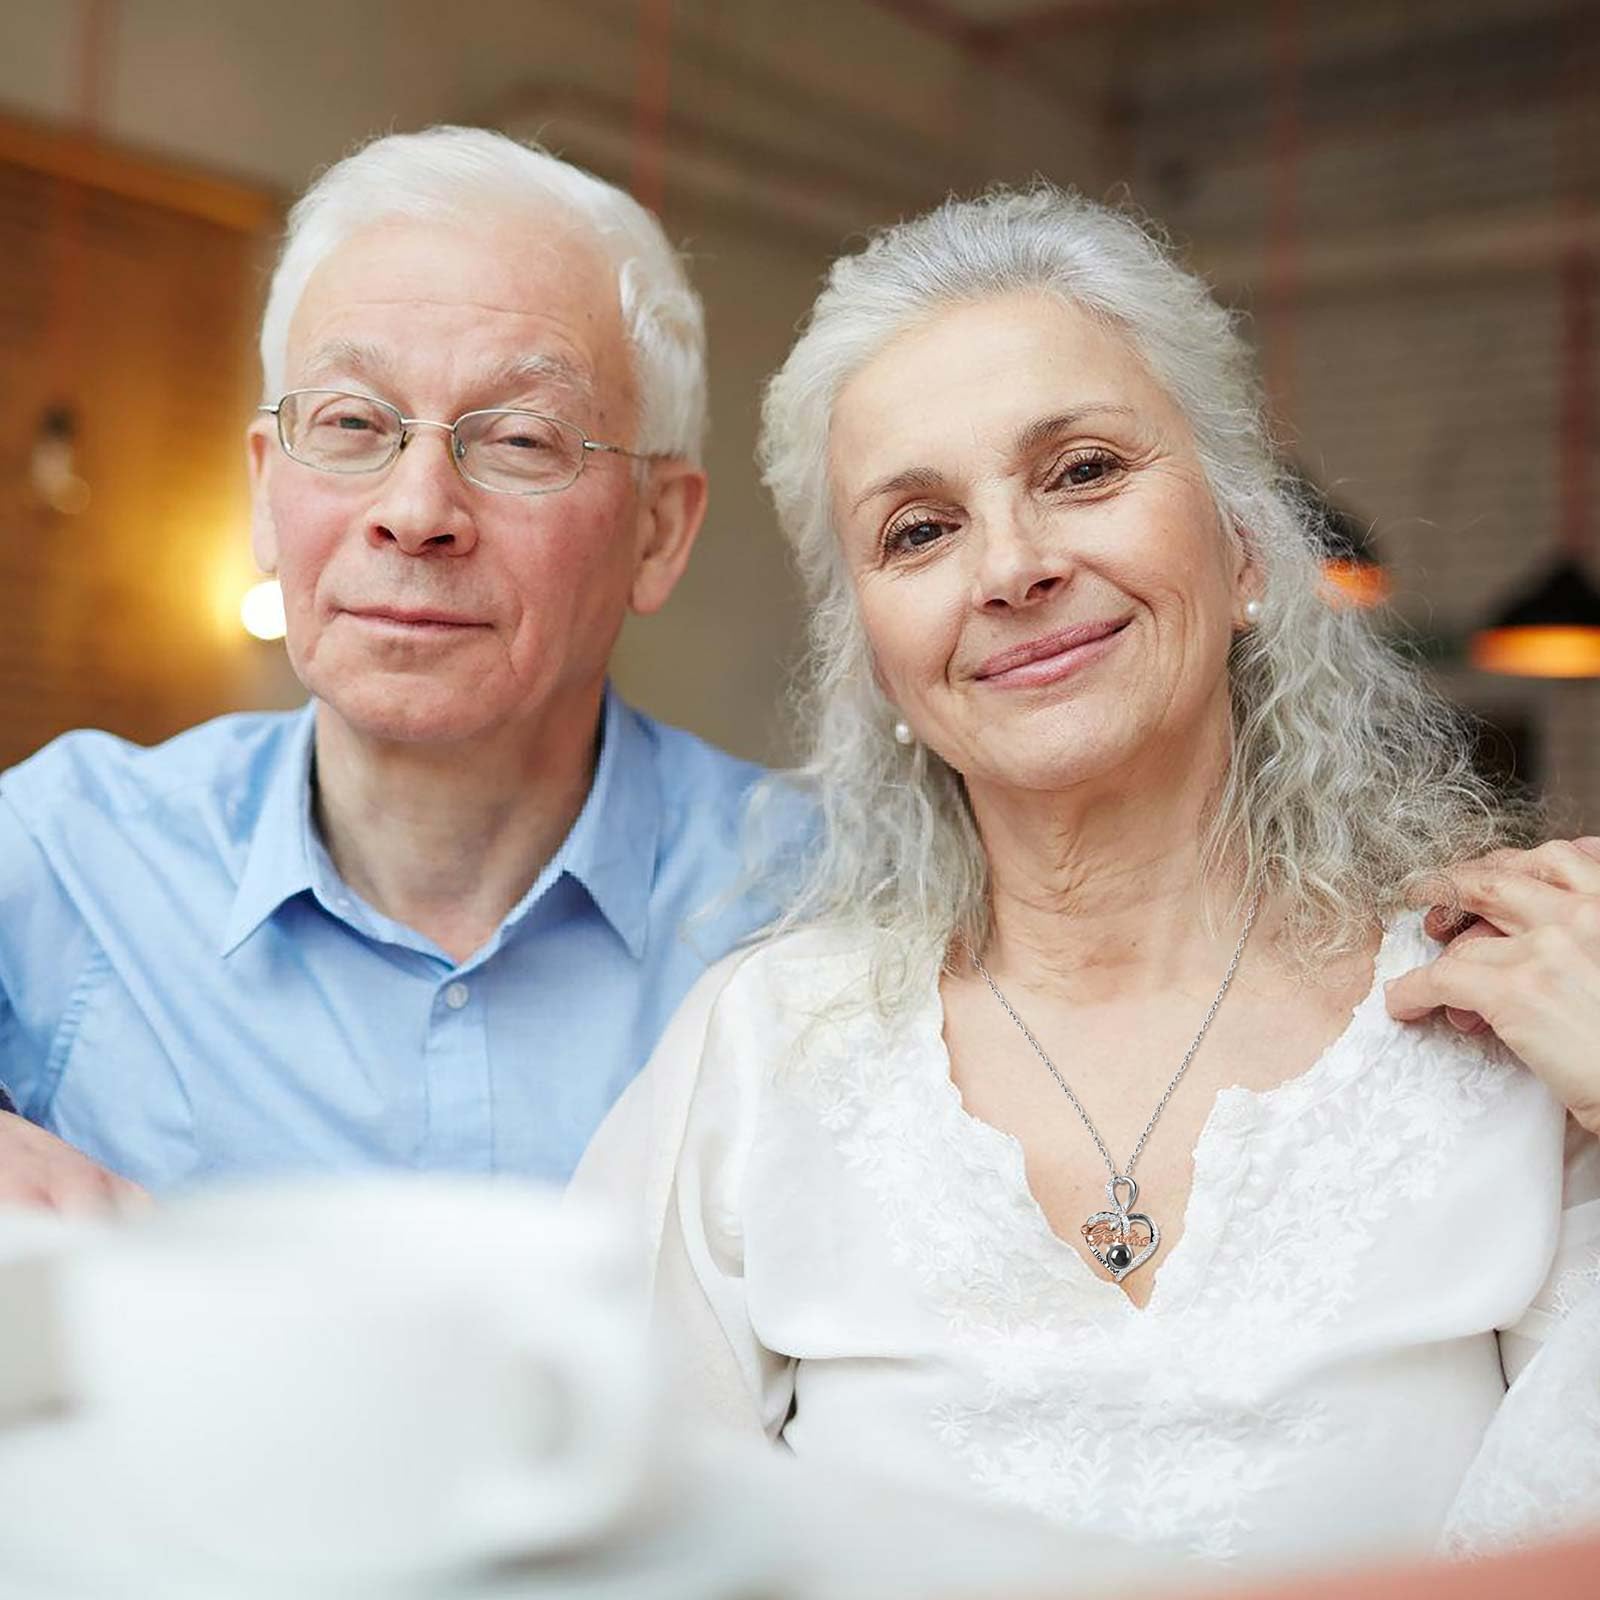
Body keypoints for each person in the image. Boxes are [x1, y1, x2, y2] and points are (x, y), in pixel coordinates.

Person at [576, 187, 1600, 1576]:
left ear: (1244, 553)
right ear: (878, 658)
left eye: (1082, 472)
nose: (1013, 565)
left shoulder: (1513, 1008)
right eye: (920, 531)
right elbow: (592, 1542)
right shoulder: (758, 1057)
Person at [0, 127, 771, 1208]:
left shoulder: (811, 908)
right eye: (353, 423)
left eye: (518, 440)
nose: (415, 513)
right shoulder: (67, 853)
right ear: (268, 491)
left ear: (658, 531)